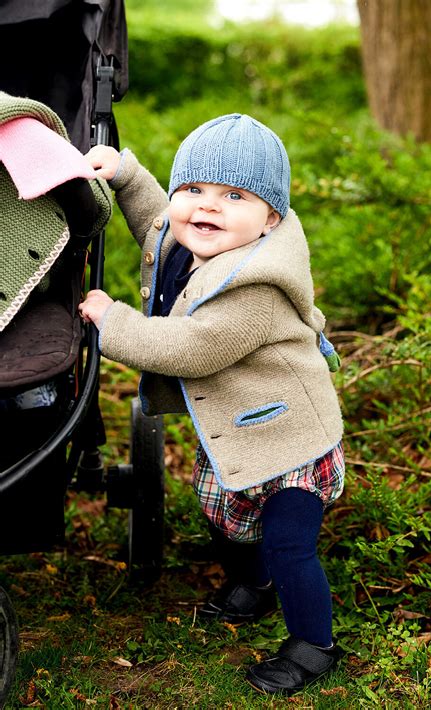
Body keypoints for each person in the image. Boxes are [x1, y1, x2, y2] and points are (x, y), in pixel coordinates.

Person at [79, 113, 345, 695]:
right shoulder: (190, 237)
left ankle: (312, 645)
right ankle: (253, 585)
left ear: (270, 218)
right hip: (234, 428)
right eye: (193, 190)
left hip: (291, 439)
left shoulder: (257, 286)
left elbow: (193, 348)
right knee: (228, 516)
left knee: (288, 543)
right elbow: (155, 222)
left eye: (234, 195)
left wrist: (113, 320)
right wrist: (124, 173)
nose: (208, 207)